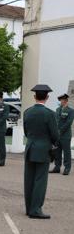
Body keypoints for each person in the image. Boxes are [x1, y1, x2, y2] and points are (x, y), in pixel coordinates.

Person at [23, 84, 59, 219]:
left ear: (34, 96)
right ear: (47, 97)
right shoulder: (50, 114)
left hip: (30, 148)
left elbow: (26, 132)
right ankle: (36, 210)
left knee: (29, 179)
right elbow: (55, 135)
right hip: (43, 150)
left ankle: (29, 208)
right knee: (40, 180)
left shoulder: (27, 112)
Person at [50, 93, 74, 175]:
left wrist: (60, 131)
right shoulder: (57, 110)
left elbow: (68, 123)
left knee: (66, 152)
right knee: (57, 151)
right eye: (60, 100)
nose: (61, 102)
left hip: (65, 135)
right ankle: (57, 167)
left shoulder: (71, 111)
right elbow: (55, 121)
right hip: (57, 134)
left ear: (66, 101)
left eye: (63, 100)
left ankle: (67, 168)